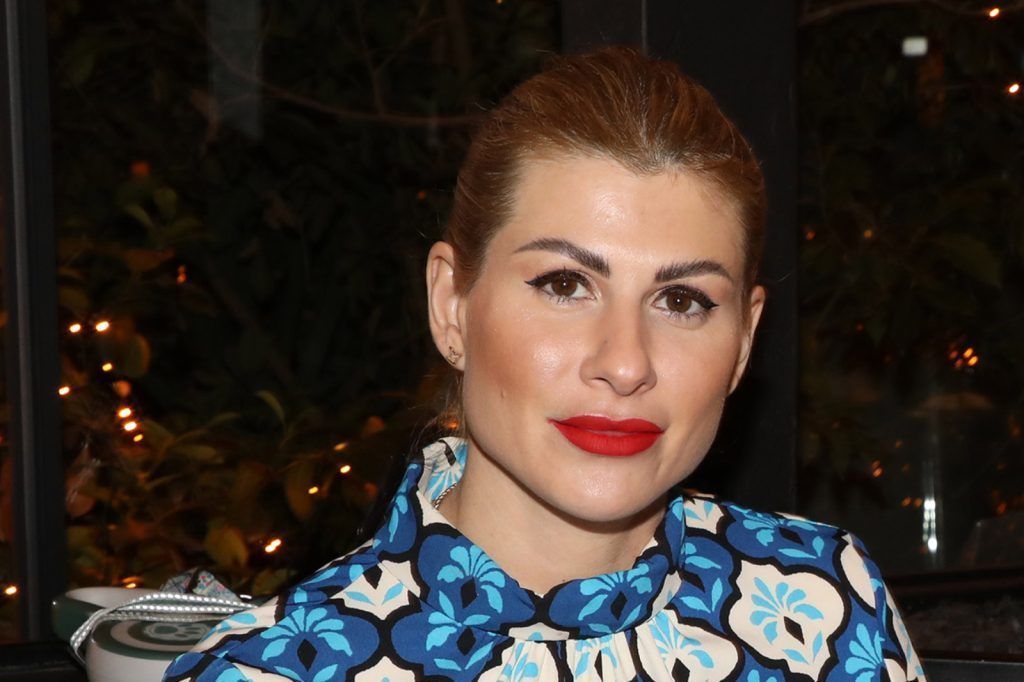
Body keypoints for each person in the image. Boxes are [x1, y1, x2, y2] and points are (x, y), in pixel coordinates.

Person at [163, 47, 925, 681]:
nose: (624, 363)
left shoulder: (822, 606)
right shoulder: (266, 671)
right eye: (564, 285)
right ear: (451, 305)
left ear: (745, 339)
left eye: (682, 300)